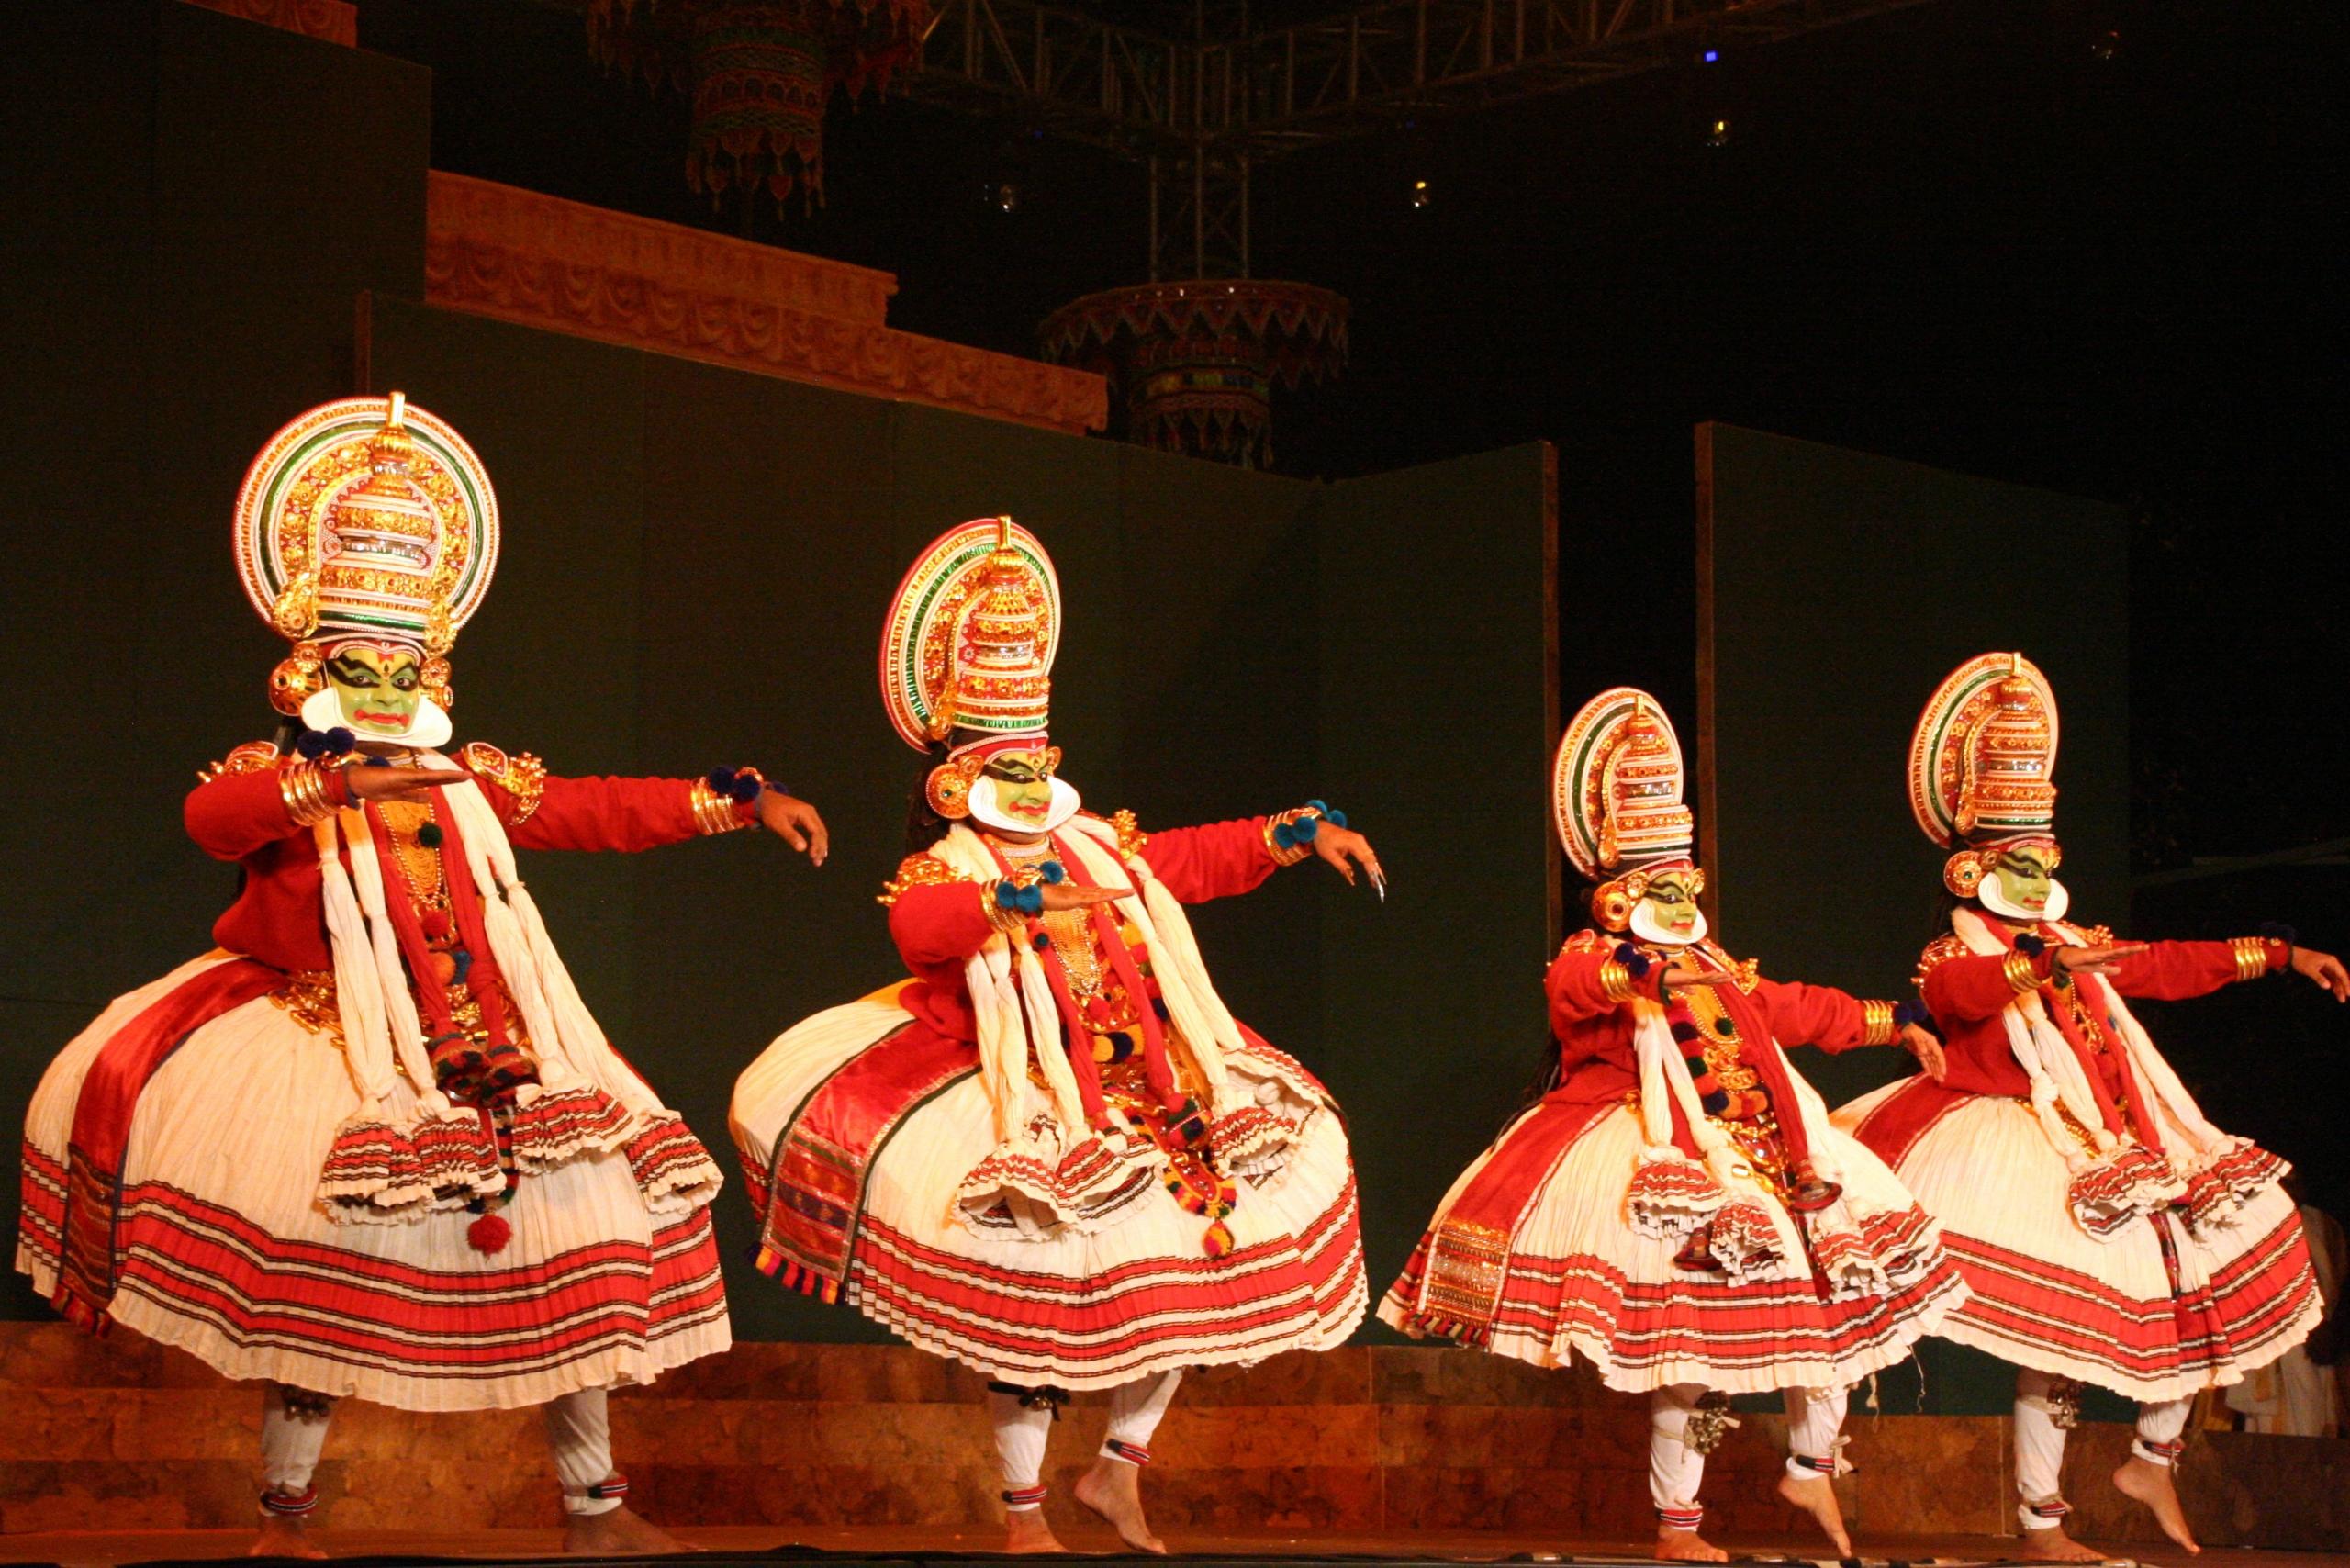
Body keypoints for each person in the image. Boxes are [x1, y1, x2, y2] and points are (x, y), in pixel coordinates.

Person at [14, 394, 828, 1557]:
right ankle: (283, 1522)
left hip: (480, 1039)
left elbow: (590, 808)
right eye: (365, 663)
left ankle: (594, 1509)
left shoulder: (462, 779)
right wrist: (328, 788)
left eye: (409, 663)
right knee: (324, 1276)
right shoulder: (281, 773)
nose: (391, 684)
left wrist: (735, 805)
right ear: (311, 667)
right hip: (327, 1044)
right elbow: (210, 817)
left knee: (558, 1244)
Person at [730, 517, 1375, 1554]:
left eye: (1037, 766)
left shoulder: (1096, 848)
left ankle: (1117, 1473)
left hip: (1154, 1081)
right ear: (954, 785)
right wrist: (1002, 903)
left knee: (1200, 1270)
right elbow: (917, 924)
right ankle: (1022, 1509)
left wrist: (1289, 835)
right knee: (1032, 1296)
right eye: (1007, 771)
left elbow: (1185, 860)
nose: (1030, 789)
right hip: (1024, 1090)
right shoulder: (952, 866)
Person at [1382, 688, 1966, 1562]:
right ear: (1619, 894)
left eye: (1683, 882)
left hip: (1766, 1148)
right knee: (1681, 1348)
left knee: (1835, 1310)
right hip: (1651, 1152)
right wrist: (1641, 978)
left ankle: (1809, 1465)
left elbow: (1789, 1008)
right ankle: (1677, 1527)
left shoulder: (1715, 966)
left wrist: (1892, 1022)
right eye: (1659, 884)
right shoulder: (1595, 957)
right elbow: (1579, 989)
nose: (1678, 895)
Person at [1835, 652, 2342, 1559]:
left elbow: (2162, 965)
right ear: (1970, 872)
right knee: (2052, 1343)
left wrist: (2277, 954)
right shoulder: (1950, 956)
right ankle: (2031, 1517)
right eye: (2015, 860)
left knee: (2204, 1272)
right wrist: (2041, 964)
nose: (2034, 874)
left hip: (2118, 1143)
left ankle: (2152, 1455)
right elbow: (1965, 1000)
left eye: (2043, 857)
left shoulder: (2078, 940)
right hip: (2013, 1147)